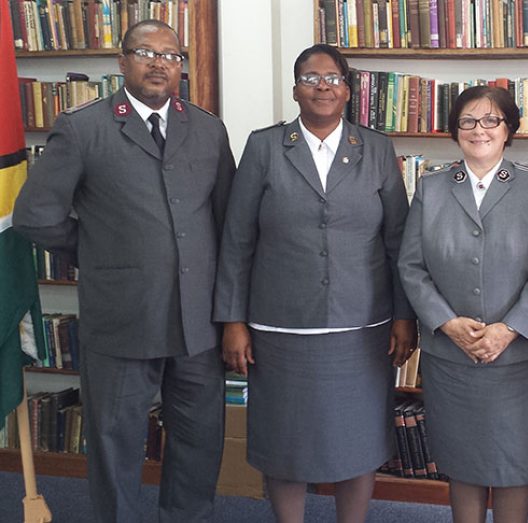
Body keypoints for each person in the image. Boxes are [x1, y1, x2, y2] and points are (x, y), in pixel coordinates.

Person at [13, 20, 235, 523]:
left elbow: (228, 223)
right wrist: (98, 252)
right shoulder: (83, 127)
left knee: (200, 440)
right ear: (122, 62)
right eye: (145, 52)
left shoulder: (206, 128)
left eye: (170, 55)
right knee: (115, 445)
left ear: (181, 65)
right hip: (121, 318)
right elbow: (34, 216)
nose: (159, 63)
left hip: (198, 322)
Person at [213, 44, 417, 523]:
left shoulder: (377, 148)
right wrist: (233, 321)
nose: (322, 85)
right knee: (285, 438)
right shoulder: (264, 147)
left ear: (347, 89)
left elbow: (399, 240)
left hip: (362, 324)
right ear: (295, 89)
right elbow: (237, 239)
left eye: (332, 77)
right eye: (310, 77)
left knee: (358, 436)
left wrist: (405, 316)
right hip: (281, 326)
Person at [398, 85, 528, 523]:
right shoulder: (431, 189)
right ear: (455, 131)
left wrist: (508, 329)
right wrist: (446, 323)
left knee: (517, 463)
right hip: (453, 355)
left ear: (508, 128)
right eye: (468, 121)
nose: (480, 130)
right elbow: (412, 267)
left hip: (522, 356)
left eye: (491, 120)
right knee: (463, 461)